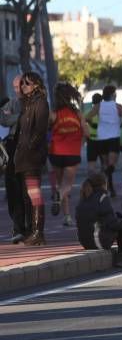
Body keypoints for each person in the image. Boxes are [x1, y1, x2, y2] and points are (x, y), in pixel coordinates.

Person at [14, 72, 50, 246]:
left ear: (36, 84)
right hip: (22, 157)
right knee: (28, 195)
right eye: (22, 84)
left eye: (26, 83)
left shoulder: (41, 103)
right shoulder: (26, 104)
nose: (23, 87)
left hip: (32, 157)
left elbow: (40, 130)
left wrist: (30, 148)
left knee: (34, 193)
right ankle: (32, 231)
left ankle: (38, 232)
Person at [48, 82, 90, 226]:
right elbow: (87, 133)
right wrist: (80, 140)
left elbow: (44, 131)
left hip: (55, 152)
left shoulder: (53, 114)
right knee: (67, 185)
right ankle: (62, 205)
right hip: (72, 153)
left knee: (60, 184)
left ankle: (67, 216)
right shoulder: (77, 114)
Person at [75, 173, 122, 268]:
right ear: (103, 184)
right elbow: (112, 223)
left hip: (85, 242)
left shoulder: (83, 198)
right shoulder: (102, 197)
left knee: (118, 216)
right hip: (99, 241)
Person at [0, 74, 31, 244]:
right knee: (13, 189)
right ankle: (18, 227)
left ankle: (30, 227)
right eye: (14, 87)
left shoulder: (35, 102)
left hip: (28, 148)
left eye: (19, 86)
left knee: (28, 190)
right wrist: (19, 117)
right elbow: (3, 119)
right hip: (12, 147)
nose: (17, 90)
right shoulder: (11, 103)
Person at [86, 85, 122, 197]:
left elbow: (87, 117)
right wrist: (120, 125)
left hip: (101, 138)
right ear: (113, 94)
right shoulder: (118, 106)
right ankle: (107, 184)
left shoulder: (99, 106)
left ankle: (107, 188)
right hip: (114, 136)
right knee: (112, 164)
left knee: (105, 164)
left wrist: (94, 124)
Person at [86, 93, 103, 174]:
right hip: (103, 139)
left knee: (91, 165)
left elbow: (84, 122)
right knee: (105, 163)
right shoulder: (104, 112)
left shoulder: (87, 112)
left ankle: (92, 182)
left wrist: (91, 124)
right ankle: (105, 182)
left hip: (91, 139)